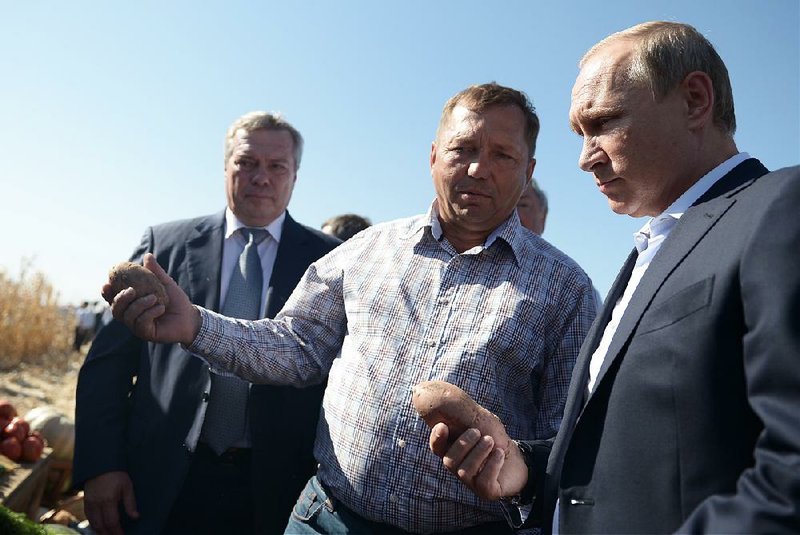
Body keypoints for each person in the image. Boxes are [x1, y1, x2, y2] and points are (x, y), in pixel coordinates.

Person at [106, 82, 598, 534]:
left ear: (529, 170)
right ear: (432, 157)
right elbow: (296, 347)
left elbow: (570, 446)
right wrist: (194, 324)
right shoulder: (367, 250)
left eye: (502, 154)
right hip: (327, 519)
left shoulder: (566, 291)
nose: (477, 168)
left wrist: (514, 464)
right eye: (462, 149)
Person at [429, 21, 800, 534]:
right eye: (579, 135)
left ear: (694, 100)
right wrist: (525, 468)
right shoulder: (650, 249)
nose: (584, 158)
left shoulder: (781, 210)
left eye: (602, 123)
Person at [73, 111, 340, 535]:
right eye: (247, 163)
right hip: (159, 478)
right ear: (226, 166)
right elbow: (108, 366)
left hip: (277, 490)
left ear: (295, 176)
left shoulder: (332, 260)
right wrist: (102, 465)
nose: (261, 178)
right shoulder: (163, 247)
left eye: (277, 167)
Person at [517, 180, 603, 306]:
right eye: (506, 205)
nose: (513, 216)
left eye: (522, 205)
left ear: (543, 216)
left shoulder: (574, 287)